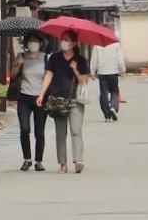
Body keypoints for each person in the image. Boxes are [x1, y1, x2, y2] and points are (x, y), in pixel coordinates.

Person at [41, 33, 91, 174]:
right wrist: (41, 94)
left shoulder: (80, 60)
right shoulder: (54, 58)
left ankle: (78, 160)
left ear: (74, 43)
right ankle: (63, 164)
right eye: (62, 39)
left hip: (75, 100)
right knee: (60, 133)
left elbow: (84, 81)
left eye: (67, 40)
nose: (63, 42)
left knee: (76, 131)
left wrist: (75, 69)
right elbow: (48, 75)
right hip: (58, 100)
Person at [15, 36, 49, 170]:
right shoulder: (21, 56)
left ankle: (38, 161)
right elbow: (12, 76)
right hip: (24, 96)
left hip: (40, 97)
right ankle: (27, 159)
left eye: (35, 41)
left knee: (39, 132)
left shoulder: (46, 58)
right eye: (30, 41)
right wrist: (17, 65)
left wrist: (42, 93)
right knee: (24, 129)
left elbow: (48, 76)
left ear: (41, 43)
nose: (32, 44)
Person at [90, 33, 125, 121]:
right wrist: (122, 70)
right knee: (114, 91)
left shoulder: (97, 45)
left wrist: (92, 72)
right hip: (113, 72)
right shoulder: (116, 44)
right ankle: (113, 107)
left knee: (103, 93)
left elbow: (94, 59)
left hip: (102, 73)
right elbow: (120, 59)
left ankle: (107, 115)